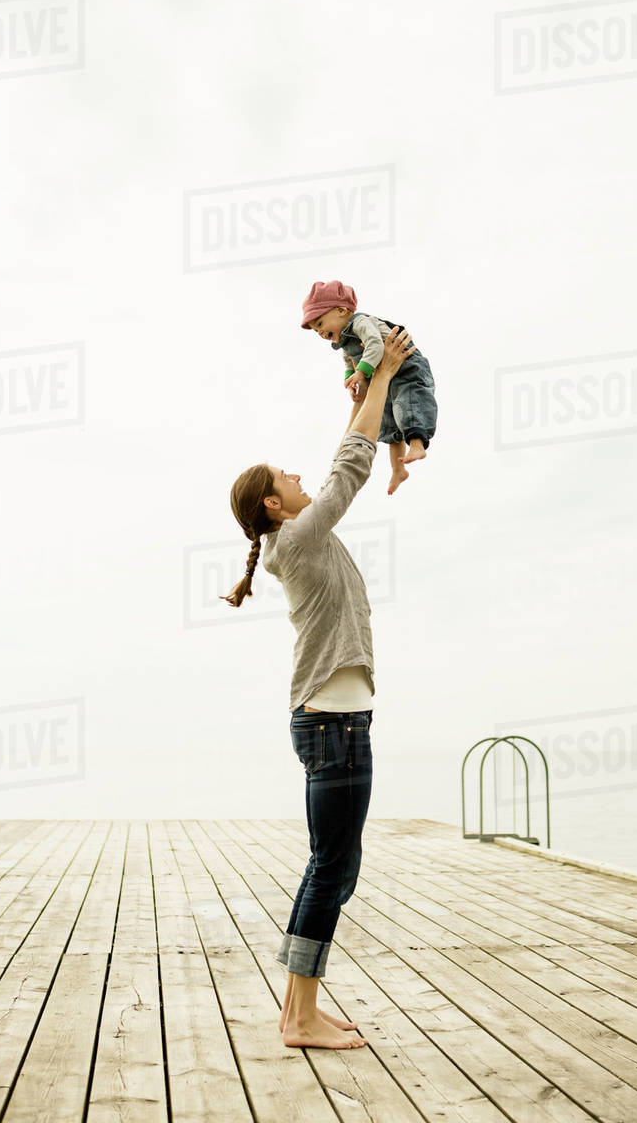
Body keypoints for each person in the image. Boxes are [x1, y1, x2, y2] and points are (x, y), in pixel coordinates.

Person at [221, 325, 416, 1049]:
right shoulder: (298, 539)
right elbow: (350, 467)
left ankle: (298, 1007)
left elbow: (343, 455)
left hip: (336, 720)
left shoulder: (291, 535)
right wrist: (389, 377)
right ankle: (299, 1018)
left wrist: (365, 392)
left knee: (337, 865)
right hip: (332, 725)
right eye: (286, 480)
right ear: (274, 507)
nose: (299, 480)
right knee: (331, 866)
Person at [300, 279, 437, 495]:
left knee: (409, 404)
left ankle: (418, 445)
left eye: (320, 323)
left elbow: (374, 343)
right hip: (387, 374)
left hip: (406, 367)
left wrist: (361, 372)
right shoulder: (345, 340)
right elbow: (349, 360)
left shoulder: (360, 323)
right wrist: (352, 377)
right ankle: (398, 469)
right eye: (315, 329)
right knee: (389, 421)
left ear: (342, 310)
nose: (318, 331)